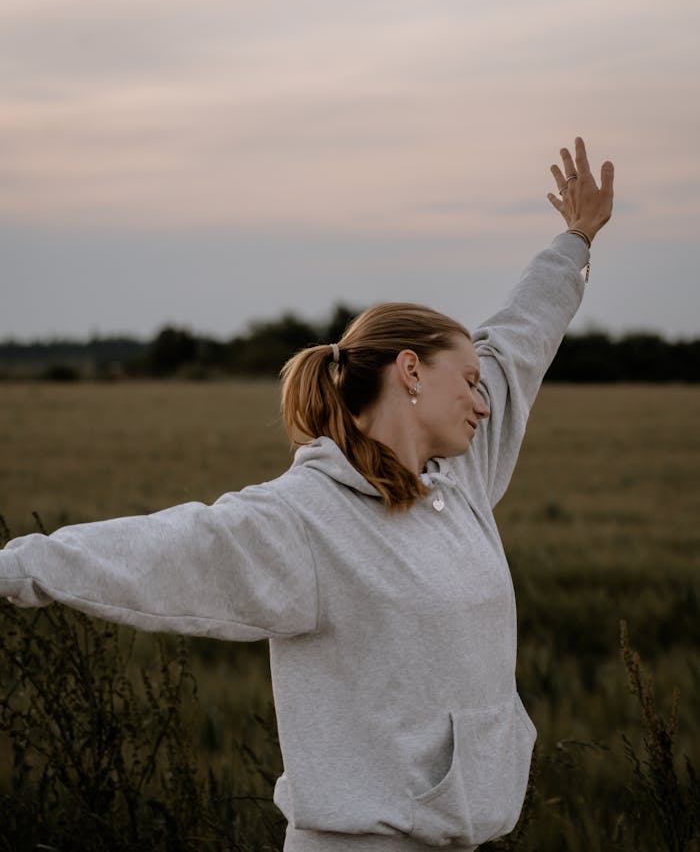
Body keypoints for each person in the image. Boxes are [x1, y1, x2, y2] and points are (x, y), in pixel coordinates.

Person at [0, 138, 614, 851]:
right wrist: (12, 566)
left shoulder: (463, 478)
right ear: (410, 371)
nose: (485, 401)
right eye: (469, 379)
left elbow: (519, 341)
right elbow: (160, 547)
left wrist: (573, 242)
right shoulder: (303, 522)